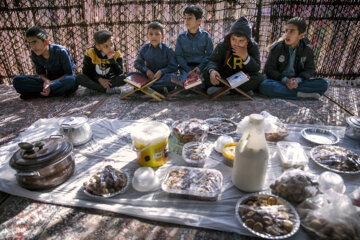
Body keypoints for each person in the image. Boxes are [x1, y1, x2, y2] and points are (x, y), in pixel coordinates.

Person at [259, 17, 328, 99]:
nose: (287, 34)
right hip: (279, 81)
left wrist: (297, 80)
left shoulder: (307, 50)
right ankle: (300, 95)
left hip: (297, 82)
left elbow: (310, 69)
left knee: (323, 83)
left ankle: (286, 93)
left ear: (301, 36)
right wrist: (285, 80)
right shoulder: (277, 48)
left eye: (292, 31)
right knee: (264, 86)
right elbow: (269, 69)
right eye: (286, 31)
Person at [13, 26, 78, 99]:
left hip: (62, 81)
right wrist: (47, 81)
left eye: (35, 42)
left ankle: (38, 94)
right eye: (30, 43)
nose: (32, 46)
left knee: (71, 81)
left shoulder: (61, 51)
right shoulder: (34, 53)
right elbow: (41, 73)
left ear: (46, 42)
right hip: (48, 81)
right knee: (17, 80)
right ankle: (49, 92)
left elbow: (69, 74)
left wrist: (51, 83)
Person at [204, 16, 263, 95]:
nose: (236, 44)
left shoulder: (253, 47)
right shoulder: (223, 45)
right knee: (206, 72)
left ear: (247, 41)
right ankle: (240, 91)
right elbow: (213, 60)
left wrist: (246, 57)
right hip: (225, 76)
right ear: (229, 38)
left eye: (241, 41)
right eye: (233, 39)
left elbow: (256, 68)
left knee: (258, 77)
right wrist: (212, 71)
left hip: (243, 76)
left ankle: (225, 91)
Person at [76, 30, 133, 95]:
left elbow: (119, 73)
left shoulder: (117, 54)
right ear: (98, 47)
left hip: (110, 81)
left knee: (124, 78)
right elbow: (86, 72)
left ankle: (95, 89)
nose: (110, 48)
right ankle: (106, 90)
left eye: (111, 44)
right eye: (106, 46)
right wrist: (99, 79)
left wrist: (111, 60)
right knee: (79, 77)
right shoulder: (90, 53)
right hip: (96, 80)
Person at [129, 21, 178, 94]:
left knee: (173, 78)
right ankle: (157, 88)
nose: (153, 36)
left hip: (162, 77)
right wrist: (147, 70)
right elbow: (137, 63)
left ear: (163, 36)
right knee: (130, 75)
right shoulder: (144, 48)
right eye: (151, 34)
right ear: (147, 36)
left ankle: (146, 87)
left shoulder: (168, 49)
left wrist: (161, 71)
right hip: (148, 77)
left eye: (157, 34)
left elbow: (174, 66)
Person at [174, 5, 213, 84]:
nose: (186, 21)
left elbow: (209, 54)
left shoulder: (205, 36)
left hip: (201, 67)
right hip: (186, 68)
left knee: (202, 81)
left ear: (199, 21)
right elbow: (178, 56)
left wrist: (200, 67)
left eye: (190, 18)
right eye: (185, 18)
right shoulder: (181, 37)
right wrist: (188, 70)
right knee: (185, 82)